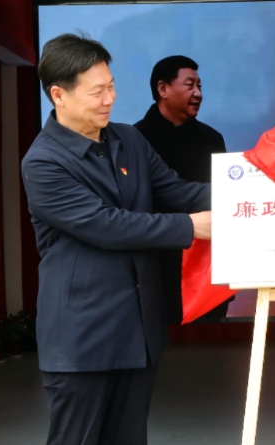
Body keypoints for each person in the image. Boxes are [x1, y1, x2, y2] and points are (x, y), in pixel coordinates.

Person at [21, 34, 211, 445]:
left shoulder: (129, 140)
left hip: (138, 330)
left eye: (111, 86)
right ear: (59, 95)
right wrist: (189, 227)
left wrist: (254, 189)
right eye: (97, 92)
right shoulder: (43, 162)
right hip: (83, 336)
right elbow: (107, 225)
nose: (110, 99)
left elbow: (179, 192)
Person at [134, 55, 230, 322]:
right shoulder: (135, 140)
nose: (198, 93)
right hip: (155, 264)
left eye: (200, 86)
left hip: (205, 267)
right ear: (163, 89)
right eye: (190, 85)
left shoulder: (212, 139)